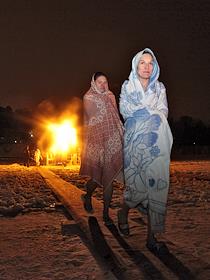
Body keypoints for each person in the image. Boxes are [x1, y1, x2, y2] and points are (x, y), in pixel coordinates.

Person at [118, 48, 173, 254]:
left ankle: (152, 238)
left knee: (155, 188)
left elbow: (164, 112)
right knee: (136, 188)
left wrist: (147, 113)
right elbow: (125, 110)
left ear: (155, 66)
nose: (147, 67)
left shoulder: (160, 88)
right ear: (135, 64)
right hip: (135, 144)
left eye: (151, 63)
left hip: (156, 143)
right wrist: (150, 113)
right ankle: (123, 213)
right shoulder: (127, 86)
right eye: (143, 62)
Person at [79, 72, 124, 225]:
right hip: (97, 141)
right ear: (93, 83)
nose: (103, 85)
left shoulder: (110, 96)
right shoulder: (88, 98)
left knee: (109, 177)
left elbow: (115, 117)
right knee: (97, 179)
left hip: (111, 140)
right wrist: (106, 101)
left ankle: (105, 214)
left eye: (105, 82)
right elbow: (94, 119)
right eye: (100, 82)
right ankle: (87, 194)